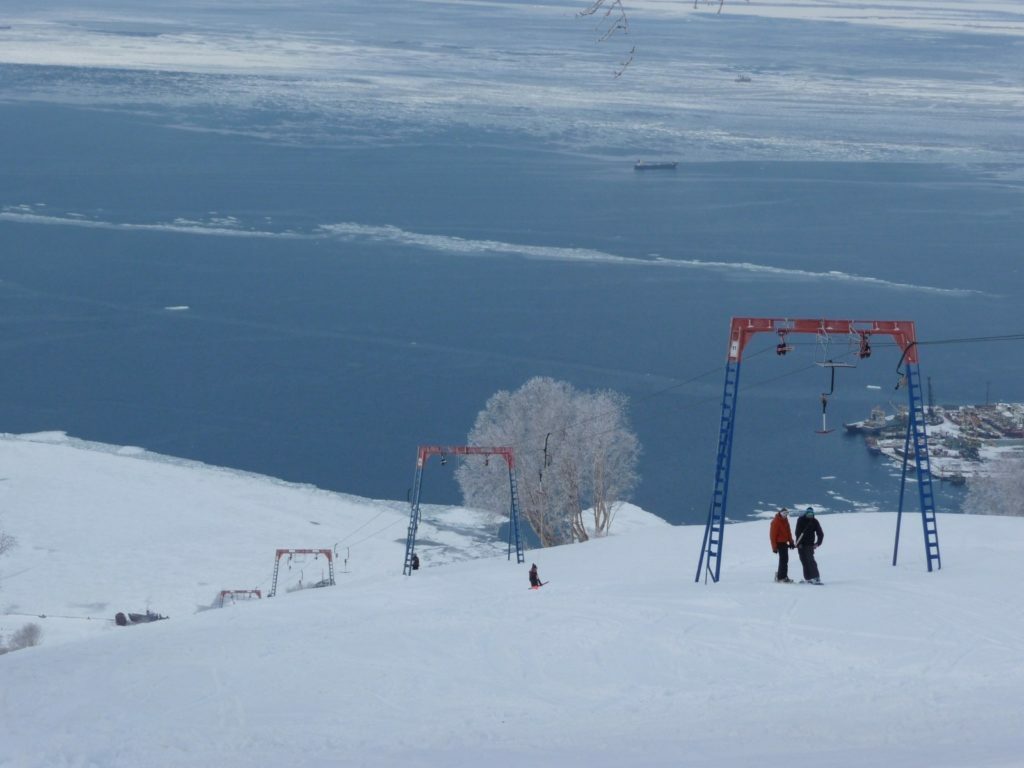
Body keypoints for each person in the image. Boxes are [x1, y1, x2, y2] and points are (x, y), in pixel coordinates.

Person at [794, 507, 824, 584]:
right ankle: (808, 578)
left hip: (809, 545)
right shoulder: (800, 520)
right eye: (809, 514)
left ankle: (816, 577)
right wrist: (799, 543)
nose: (810, 515)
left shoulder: (815, 521)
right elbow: (797, 532)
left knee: (810, 560)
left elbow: (820, 533)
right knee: (804, 561)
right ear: (806, 513)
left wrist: (817, 543)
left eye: (812, 514)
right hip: (800, 545)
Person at [769, 507, 795, 583]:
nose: (785, 515)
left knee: (785, 560)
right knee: (783, 560)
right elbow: (772, 536)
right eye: (783, 513)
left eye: (786, 513)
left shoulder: (785, 521)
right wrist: (774, 547)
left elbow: (788, 532)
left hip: (784, 543)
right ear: (780, 513)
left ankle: (782, 576)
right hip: (779, 543)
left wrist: (791, 542)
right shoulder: (776, 522)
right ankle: (781, 577)